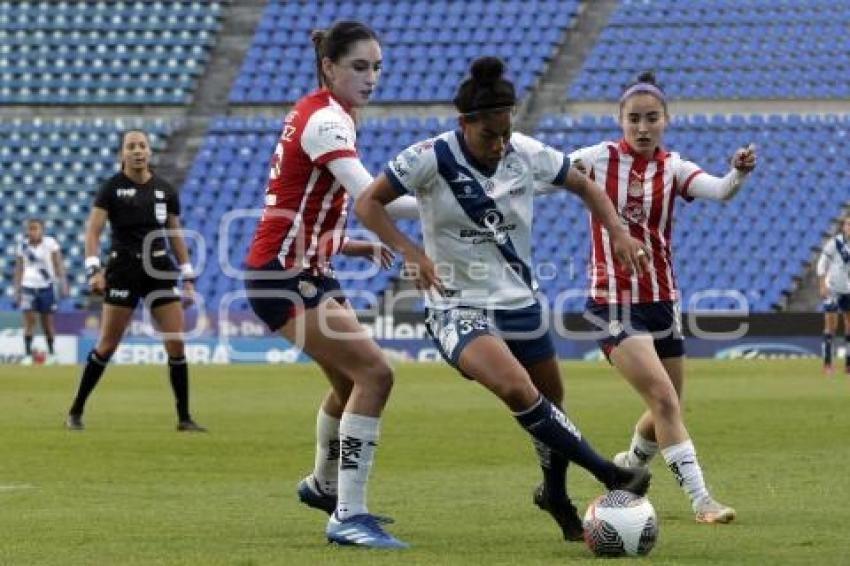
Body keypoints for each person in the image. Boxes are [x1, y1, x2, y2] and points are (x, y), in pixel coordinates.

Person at [354, 56, 652, 544]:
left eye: (505, 135)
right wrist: (409, 253)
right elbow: (367, 201)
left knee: (551, 400)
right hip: (456, 305)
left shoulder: (526, 152)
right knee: (518, 389)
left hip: (520, 303)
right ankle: (609, 473)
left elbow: (584, 185)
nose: (498, 146)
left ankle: (555, 494)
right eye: (488, 136)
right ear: (464, 124)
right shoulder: (429, 156)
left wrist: (617, 230)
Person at [243, 21, 419, 549]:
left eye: (377, 67)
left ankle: (323, 486)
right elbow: (371, 198)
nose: (372, 78)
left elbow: (298, 203)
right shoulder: (327, 121)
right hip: (283, 276)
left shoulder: (320, 113)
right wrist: (456, 204)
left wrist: (348, 244)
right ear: (330, 67)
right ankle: (347, 514)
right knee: (376, 374)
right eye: (360, 67)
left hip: (306, 268)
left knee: (350, 384)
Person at [569, 71, 756, 524]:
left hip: (662, 301)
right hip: (612, 300)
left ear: (665, 121)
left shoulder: (673, 167)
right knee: (664, 400)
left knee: (667, 403)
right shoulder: (595, 159)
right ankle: (702, 501)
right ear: (620, 119)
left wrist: (737, 171)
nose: (643, 127)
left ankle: (629, 466)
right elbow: (545, 172)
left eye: (652, 118)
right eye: (634, 119)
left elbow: (719, 190)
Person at [65, 129, 205, 433]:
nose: (138, 151)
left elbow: (175, 235)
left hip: (160, 271)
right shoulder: (111, 189)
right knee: (107, 344)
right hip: (123, 270)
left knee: (176, 344)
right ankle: (76, 410)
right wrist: (93, 269)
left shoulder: (165, 190)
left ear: (149, 151)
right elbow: (92, 233)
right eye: (131, 147)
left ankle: (184, 418)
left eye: (142, 146)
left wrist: (188, 276)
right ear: (122, 154)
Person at [13, 218, 68, 365]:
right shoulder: (22, 246)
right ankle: (27, 354)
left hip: (46, 286)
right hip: (28, 287)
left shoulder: (50, 243)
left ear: (42, 229)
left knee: (47, 323)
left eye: (35, 228)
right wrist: (16, 291)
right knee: (29, 322)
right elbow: (18, 269)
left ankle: (51, 353)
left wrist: (63, 283)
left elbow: (58, 264)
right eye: (30, 229)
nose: (32, 232)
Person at [817, 214, 850, 374]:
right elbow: (822, 264)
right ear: (843, 227)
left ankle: (848, 365)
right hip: (833, 288)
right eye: (848, 224)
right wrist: (823, 285)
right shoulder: (835, 244)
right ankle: (827, 364)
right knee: (831, 326)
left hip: (848, 290)